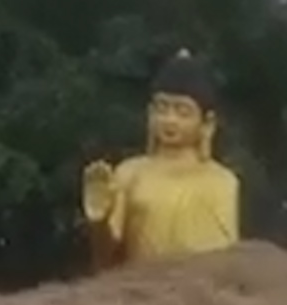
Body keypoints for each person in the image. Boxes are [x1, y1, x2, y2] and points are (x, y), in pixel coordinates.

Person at [82, 49, 241, 270]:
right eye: (162, 109)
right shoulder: (130, 173)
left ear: (207, 123)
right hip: (138, 294)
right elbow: (105, 261)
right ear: (150, 113)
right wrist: (99, 222)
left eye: (182, 112)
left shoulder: (221, 181)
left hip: (198, 294)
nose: (169, 120)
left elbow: (226, 261)